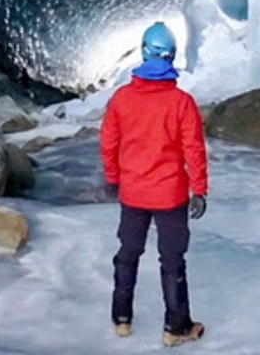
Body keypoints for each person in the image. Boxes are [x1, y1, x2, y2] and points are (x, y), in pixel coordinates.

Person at [100, 21, 209, 347]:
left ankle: (121, 319)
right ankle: (176, 328)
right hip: (170, 195)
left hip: (133, 193)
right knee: (172, 260)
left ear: (144, 53)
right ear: (171, 57)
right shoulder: (181, 102)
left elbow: (109, 141)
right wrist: (200, 190)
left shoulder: (122, 99)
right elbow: (194, 150)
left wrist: (112, 178)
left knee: (128, 254)